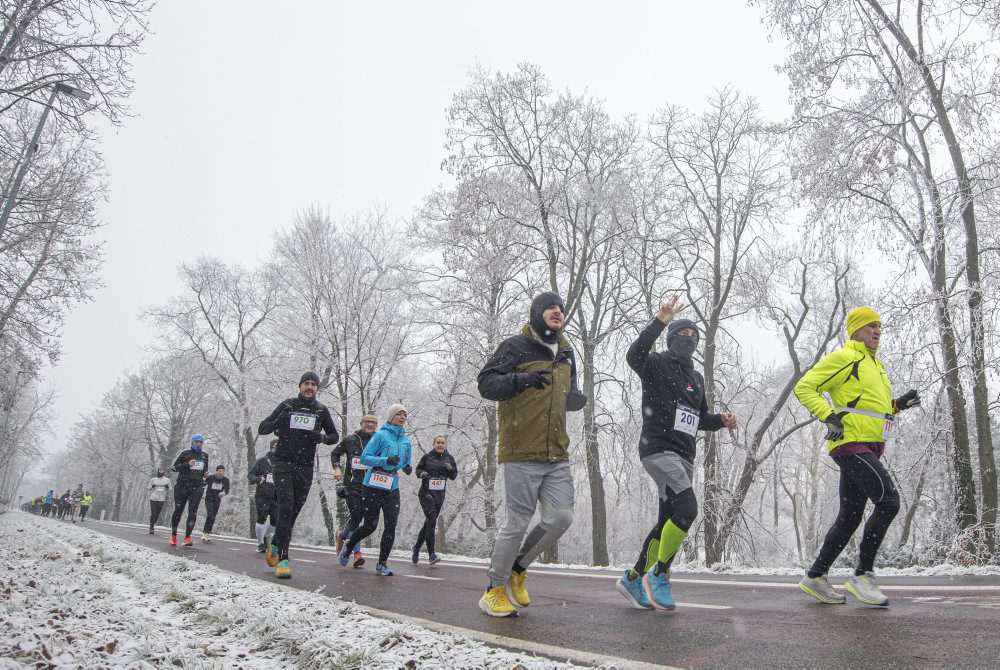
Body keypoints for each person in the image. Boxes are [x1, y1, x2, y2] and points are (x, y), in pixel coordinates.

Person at [616, 296, 736, 611]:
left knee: (667, 521)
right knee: (688, 508)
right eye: (683, 335)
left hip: (685, 456)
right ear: (672, 338)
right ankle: (660, 574)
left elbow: (701, 419)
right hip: (658, 449)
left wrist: (721, 421)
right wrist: (661, 321)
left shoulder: (696, 379)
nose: (689, 340)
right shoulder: (656, 363)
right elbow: (634, 354)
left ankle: (632, 576)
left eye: (694, 337)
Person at [794, 307, 919, 607]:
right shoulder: (845, 358)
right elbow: (805, 387)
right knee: (889, 502)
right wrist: (828, 416)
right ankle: (862, 575)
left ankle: (815, 576)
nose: (877, 330)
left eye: (879, 326)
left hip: (870, 446)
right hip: (849, 443)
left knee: (850, 516)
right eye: (870, 326)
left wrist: (898, 405)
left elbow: (873, 407)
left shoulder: (876, 365)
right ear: (855, 331)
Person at [476, 292, 588, 617]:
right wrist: (518, 380)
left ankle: (517, 567)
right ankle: (493, 589)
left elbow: (565, 392)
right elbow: (485, 384)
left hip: (557, 451)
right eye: (551, 308)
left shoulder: (567, 352)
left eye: (562, 309)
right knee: (517, 523)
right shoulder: (514, 346)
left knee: (562, 517)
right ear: (538, 313)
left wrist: (573, 400)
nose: (558, 312)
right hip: (521, 449)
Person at [258, 371, 339, 579]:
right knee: (285, 507)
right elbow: (263, 428)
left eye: (313, 384)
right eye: (306, 383)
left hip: (305, 466)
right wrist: (279, 421)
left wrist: (320, 437)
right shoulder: (287, 406)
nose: (309, 387)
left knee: (293, 512)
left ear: (317, 388)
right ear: (300, 386)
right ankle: (284, 559)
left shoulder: (321, 410)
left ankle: (276, 540)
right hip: (283, 463)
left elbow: (334, 436)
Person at [337, 404, 412, 576]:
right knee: (370, 525)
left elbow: (407, 460)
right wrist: (385, 460)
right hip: (373, 484)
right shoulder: (380, 435)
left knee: (391, 525)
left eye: (404, 415)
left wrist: (407, 467)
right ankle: (349, 545)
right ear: (391, 417)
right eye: (398, 414)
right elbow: (365, 458)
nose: (402, 417)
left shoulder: (406, 441)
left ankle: (382, 564)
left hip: (391, 485)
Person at [331, 413, 378, 568]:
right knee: (357, 517)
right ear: (361, 423)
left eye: (373, 422)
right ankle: (357, 553)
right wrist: (337, 468)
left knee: (364, 518)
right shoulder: (350, 440)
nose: (370, 424)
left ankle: (342, 535)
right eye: (367, 422)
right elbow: (335, 453)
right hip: (352, 485)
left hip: (371, 486)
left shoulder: (379, 440)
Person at [411, 435, 458, 565]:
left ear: (445, 445)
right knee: (432, 520)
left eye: (443, 443)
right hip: (426, 494)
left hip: (439, 496)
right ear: (433, 444)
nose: (440, 445)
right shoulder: (427, 457)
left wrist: (450, 469)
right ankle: (431, 554)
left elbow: (454, 476)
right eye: (438, 442)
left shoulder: (450, 458)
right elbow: (418, 469)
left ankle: (416, 547)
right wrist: (422, 474)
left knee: (428, 523)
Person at [170, 434, 210, 547]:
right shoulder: (185, 453)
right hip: (182, 485)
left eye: (200, 442)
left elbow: (204, 470)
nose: (198, 444)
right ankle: (173, 535)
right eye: (196, 442)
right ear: (192, 442)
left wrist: (205, 475)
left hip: (197, 486)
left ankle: (187, 537)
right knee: (178, 510)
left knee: (192, 512)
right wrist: (187, 464)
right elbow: (173, 467)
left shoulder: (204, 456)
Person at [249, 439, 278, 553]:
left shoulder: (283, 462)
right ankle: (261, 543)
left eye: (279, 446)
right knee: (262, 517)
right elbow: (250, 474)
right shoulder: (262, 461)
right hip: (262, 494)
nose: (276, 448)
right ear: (271, 447)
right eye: (274, 446)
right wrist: (257, 479)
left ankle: (266, 540)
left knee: (275, 521)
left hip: (276, 496)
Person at [201, 465, 230, 541]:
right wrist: (204, 478)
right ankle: (205, 532)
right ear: (216, 471)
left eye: (222, 471)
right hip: (209, 498)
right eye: (219, 471)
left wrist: (224, 493)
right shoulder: (211, 477)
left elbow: (227, 489)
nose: (221, 472)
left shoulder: (226, 480)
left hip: (217, 499)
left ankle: (207, 533)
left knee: (213, 516)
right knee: (210, 514)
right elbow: (203, 484)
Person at [148, 467, 171, 534]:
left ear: (164, 472)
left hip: (161, 499)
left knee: (157, 514)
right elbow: (148, 487)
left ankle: (153, 522)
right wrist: (152, 486)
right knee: (153, 513)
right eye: (160, 471)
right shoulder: (153, 479)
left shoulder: (167, 480)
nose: (161, 472)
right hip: (153, 498)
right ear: (158, 471)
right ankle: (151, 526)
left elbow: (170, 488)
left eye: (162, 471)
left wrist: (167, 487)